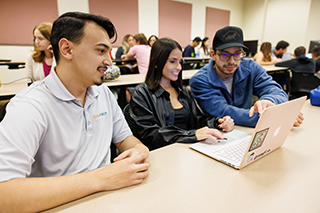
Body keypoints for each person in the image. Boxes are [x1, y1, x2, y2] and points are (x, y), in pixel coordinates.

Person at [0, 12, 150, 212]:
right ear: (67, 49)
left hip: (110, 201)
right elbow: (5, 195)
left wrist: (138, 152)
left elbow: (127, 140)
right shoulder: (29, 106)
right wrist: (103, 178)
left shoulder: (103, 94)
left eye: (109, 52)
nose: (109, 62)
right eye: (101, 51)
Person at [128, 38, 234, 151]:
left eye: (180, 62)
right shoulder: (142, 94)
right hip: (165, 154)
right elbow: (151, 135)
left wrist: (218, 122)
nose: (179, 67)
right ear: (156, 62)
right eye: (172, 61)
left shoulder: (183, 92)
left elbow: (197, 120)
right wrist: (192, 135)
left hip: (188, 150)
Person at [190, 26, 304, 128]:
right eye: (225, 55)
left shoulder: (251, 68)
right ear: (213, 55)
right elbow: (224, 111)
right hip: (218, 134)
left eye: (237, 54)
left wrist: (268, 101)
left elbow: (277, 92)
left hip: (248, 131)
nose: (232, 61)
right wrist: (278, 116)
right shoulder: (200, 80)